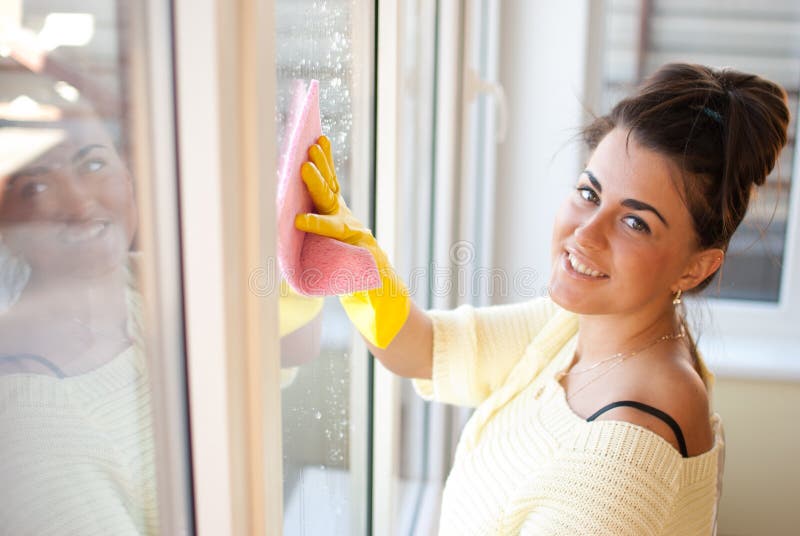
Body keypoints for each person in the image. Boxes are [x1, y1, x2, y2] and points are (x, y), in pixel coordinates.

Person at [294, 63, 790, 535]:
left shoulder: (625, 457)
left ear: (696, 266)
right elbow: (425, 349)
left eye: (635, 222)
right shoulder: (581, 325)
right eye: (589, 194)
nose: (586, 235)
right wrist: (359, 261)